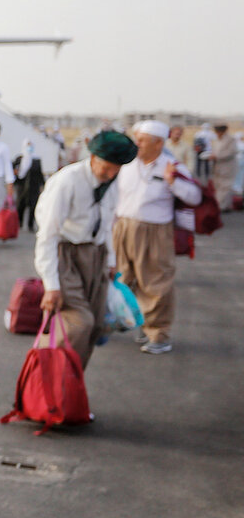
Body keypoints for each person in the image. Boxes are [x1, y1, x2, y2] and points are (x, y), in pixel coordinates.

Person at [34, 132, 138, 368]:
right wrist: (51, 286)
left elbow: (108, 224)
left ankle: (73, 388)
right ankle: (51, 386)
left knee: (96, 326)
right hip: (66, 255)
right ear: (93, 157)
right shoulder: (67, 181)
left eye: (117, 169)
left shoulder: (110, 184)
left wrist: (110, 261)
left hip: (96, 255)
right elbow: (47, 236)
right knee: (79, 323)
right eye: (106, 168)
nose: (111, 174)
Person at [112, 120, 201, 355]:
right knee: (122, 279)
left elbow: (194, 197)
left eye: (141, 140)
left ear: (158, 143)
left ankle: (158, 334)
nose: (136, 144)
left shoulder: (172, 166)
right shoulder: (127, 165)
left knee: (155, 284)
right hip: (123, 228)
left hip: (155, 232)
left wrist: (173, 183)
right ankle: (138, 323)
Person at [14, 138, 46, 231]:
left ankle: (30, 224)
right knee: (20, 204)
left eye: (30, 145)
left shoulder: (36, 159)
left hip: (33, 185)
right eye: (27, 145)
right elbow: (14, 171)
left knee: (33, 205)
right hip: (21, 185)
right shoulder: (19, 158)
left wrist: (43, 185)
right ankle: (19, 222)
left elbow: (40, 173)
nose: (29, 148)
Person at [205, 124, 238, 211]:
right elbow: (214, 151)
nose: (217, 133)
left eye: (218, 131)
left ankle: (219, 206)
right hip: (217, 167)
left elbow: (231, 152)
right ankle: (226, 206)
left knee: (225, 186)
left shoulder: (230, 140)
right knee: (218, 186)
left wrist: (217, 156)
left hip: (227, 167)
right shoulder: (216, 140)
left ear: (223, 131)